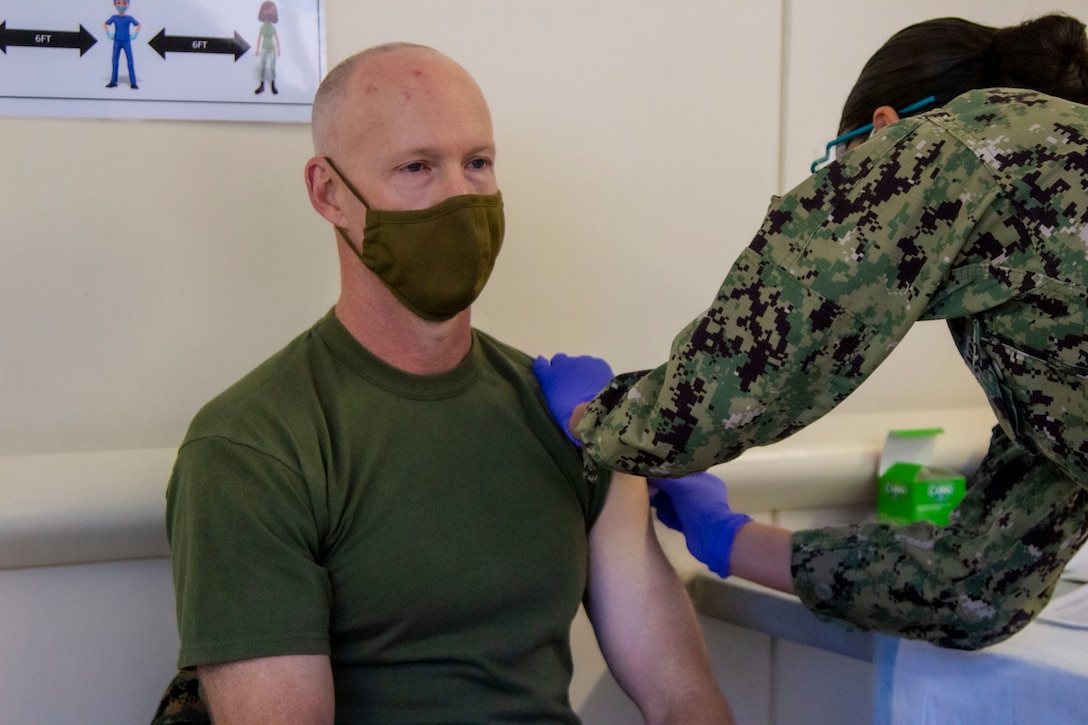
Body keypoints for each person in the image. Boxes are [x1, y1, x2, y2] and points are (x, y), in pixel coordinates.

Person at [159, 42, 733, 724]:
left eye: (478, 163)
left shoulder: (571, 416)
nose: (460, 197)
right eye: (417, 167)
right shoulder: (254, 446)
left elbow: (682, 695)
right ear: (329, 192)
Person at [534, 13, 1088, 651]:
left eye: (840, 166)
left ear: (881, 131)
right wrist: (726, 537)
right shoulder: (1048, 349)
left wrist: (593, 420)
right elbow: (973, 590)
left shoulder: (955, 143)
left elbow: (748, 372)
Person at [104, 0, 140, 90]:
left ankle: (133, 82)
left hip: (126, 41)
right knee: (115, 62)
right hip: (117, 41)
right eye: (118, 3)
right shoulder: (114, 17)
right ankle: (113, 81)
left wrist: (135, 34)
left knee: (130, 62)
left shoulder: (129, 18)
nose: (121, 5)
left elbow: (138, 25)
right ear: (115, 5)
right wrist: (108, 33)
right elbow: (105, 24)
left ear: (128, 5)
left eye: (124, 3)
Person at [254, 1, 280, 95]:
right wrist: (257, 49)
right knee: (262, 66)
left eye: (273, 11)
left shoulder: (273, 28)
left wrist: (279, 49)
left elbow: (276, 39)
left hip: (272, 48)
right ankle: (262, 85)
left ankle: (273, 85)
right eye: (270, 10)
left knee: (272, 66)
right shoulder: (262, 27)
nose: (272, 13)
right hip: (264, 48)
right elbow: (259, 38)